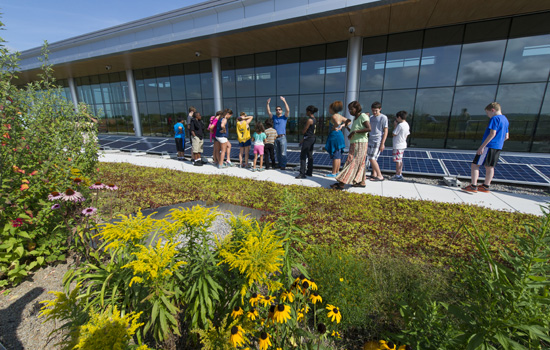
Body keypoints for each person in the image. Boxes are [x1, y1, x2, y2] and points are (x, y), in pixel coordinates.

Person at [462, 102, 509, 193]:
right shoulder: (505, 120)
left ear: (493, 110)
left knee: (475, 165)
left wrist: (482, 147)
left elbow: (492, 133)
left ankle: (473, 185)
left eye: (488, 113)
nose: (488, 116)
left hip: (489, 146)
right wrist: (498, 143)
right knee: (490, 166)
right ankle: (486, 186)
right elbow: (506, 137)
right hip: (498, 147)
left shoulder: (495, 118)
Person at [330, 101, 371, 189]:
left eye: (351, 109)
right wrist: (346, 127)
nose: (350, 111)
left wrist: (354, 131)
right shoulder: (355, 119)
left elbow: (369, 128)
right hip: (355, 142)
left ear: (357, 109)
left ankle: (341, 183)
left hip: (360, 143)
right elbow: (354, 132)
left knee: (352, 161)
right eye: (349, 109)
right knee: (359, 162)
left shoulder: (363, 116)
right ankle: (361, 182)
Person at [324, 101, 350, 177]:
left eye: (329, 108)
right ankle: (337, 171)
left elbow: (337, 123)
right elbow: (349, 121)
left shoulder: (334, 116)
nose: (329, 110)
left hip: (334, 136)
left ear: (332, 109)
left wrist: (335, 126)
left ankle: (333, 173)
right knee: (338, 155)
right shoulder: (340, 116)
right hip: (339, 135)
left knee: (335, 155)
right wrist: (342, 126)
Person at [267, 96, 290, 170]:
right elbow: (269, 112)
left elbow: (288, 110)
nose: (278, 111)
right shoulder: (274, 117)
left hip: (282, 137)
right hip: (275, 137)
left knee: (283, 152)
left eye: (279, 109)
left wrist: (284, 101)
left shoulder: (284, 117)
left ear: (281, 110)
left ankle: (283, 165)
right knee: (278, 153)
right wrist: (267, 104)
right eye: (277, 110)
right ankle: (280, 164)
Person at [367, 101, 388, 181]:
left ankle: (380, 176)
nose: (374, 112)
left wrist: (382, 143)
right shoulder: (371, 118)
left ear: (380, 109)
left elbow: (385, 131)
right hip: (370, 140)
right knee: (370, 158)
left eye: (376, 110)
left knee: (372, 158)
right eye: (373, 110)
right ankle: (374, 174)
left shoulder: (383, 117)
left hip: (378, 141)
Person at [296, 105, 318, 179]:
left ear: (309, 111)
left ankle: (302, 173)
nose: (306, 112)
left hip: (308, 139)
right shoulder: (314, 119)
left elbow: (305, 130)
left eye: (306, 111)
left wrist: (303, 132)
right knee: (310, 155)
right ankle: (309, 172)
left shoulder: (309, 120)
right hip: (312, 138)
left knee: (303, 156)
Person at [389, 111, 410, 181]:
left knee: (398, 160)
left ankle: (398, 175)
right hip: (403, 144)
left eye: (397, 118)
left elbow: (394, 133)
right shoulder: (407, 124)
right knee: (400, 160)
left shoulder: (400, 125)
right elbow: (407, 135)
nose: (396, 119)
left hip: (398, 145)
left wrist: (395, 125)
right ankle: (399, 173)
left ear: (399, 117)